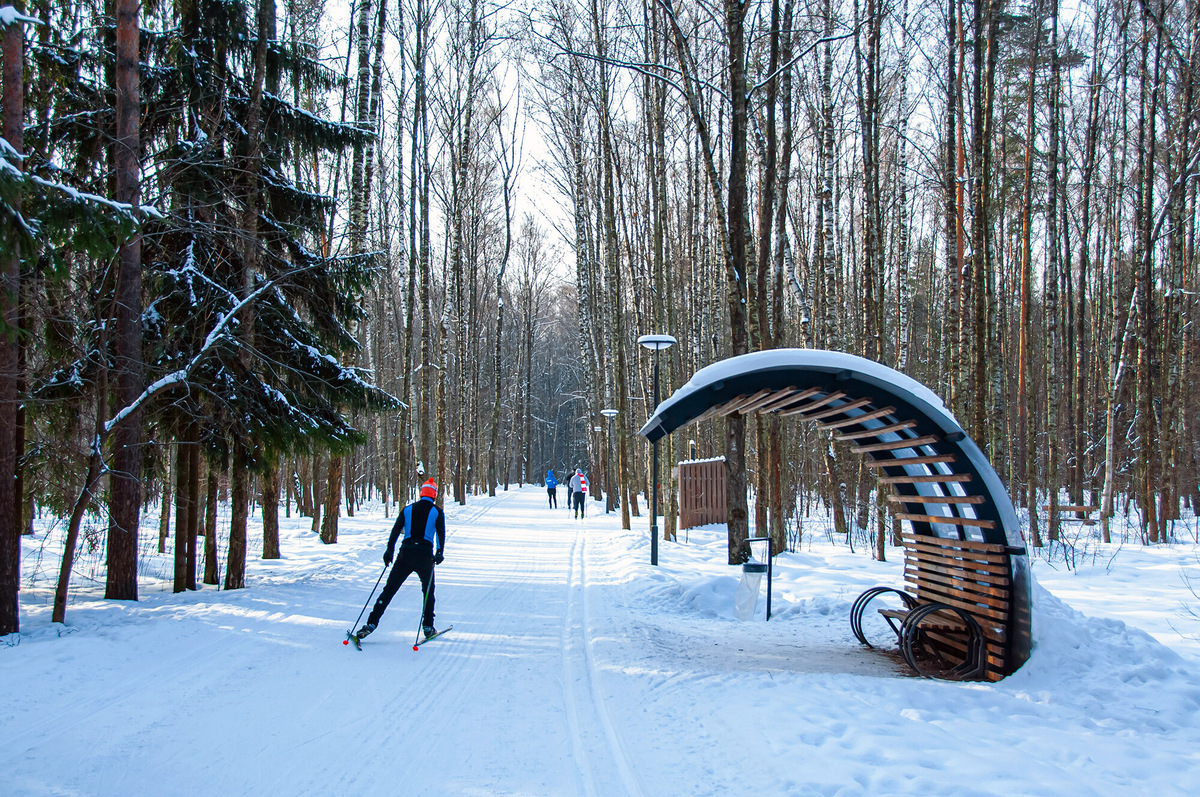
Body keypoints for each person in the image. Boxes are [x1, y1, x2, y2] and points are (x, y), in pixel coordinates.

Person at [354, 478, 446, 641]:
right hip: (425, 556)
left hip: (405, 554)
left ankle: (371, 623)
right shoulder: (437, 512)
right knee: (428, 592)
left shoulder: (407, 509)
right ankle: (427, 626)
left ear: (421, 493)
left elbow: (396, 530)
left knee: (389, 589)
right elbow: (440, 534)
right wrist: (439, 552)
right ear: (434, 495)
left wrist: (390, 550)